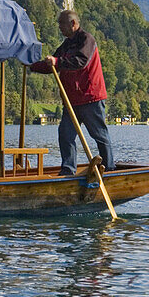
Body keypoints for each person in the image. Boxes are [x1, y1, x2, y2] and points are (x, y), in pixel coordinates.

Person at [30, 10, 114, 176]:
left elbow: (80, 62)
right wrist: (32, 65)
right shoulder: (66, 45)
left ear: (73, 24)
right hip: (72, 101)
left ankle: (109, 169)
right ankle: (68, 170)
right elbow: (53, 65)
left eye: (61, 23)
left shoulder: (87, 40)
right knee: (65, 135)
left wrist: (57, 61)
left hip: (91, 98)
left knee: (99, 135)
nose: (59, 27)